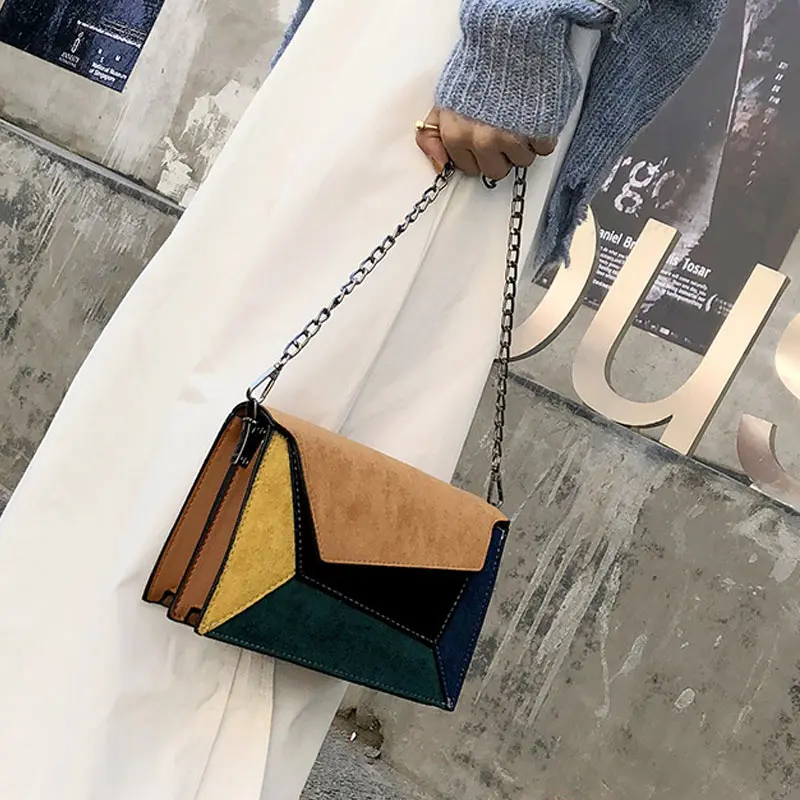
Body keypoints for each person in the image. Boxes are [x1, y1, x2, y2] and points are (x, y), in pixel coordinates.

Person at [0, 1, 725, 799]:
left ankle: (48, 747)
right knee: (275, 496)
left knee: (217, 437)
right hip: (464, 65)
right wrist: (514, 31)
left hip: (430, 51)